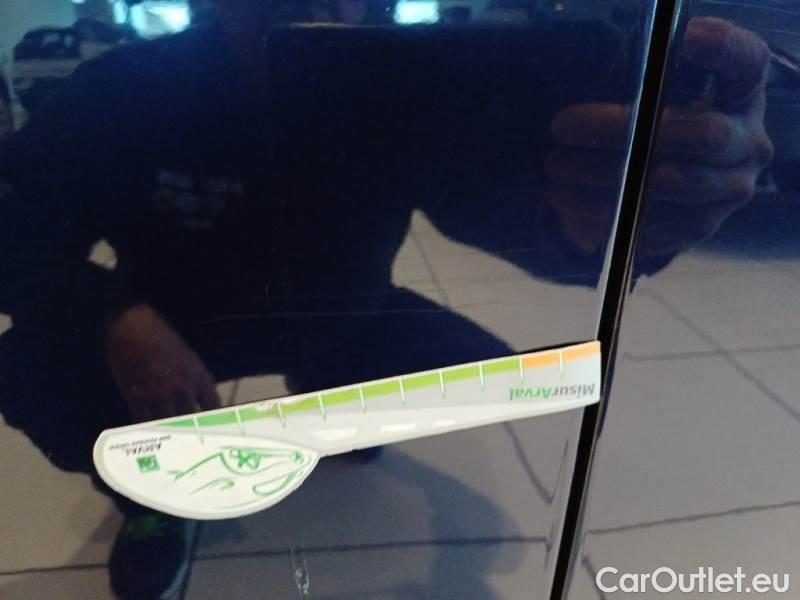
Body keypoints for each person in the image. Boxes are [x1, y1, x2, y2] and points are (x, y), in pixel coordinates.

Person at [0, 0, 772, 596]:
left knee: (495, 381)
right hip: (180, 327)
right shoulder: (128, 87)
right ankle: (151, 500)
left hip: (343, 310)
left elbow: (499, 208)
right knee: (32, 371)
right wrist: (116, 317)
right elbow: (14, 221)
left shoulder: (400, 86)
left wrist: (608, 221)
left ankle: (322, 387)